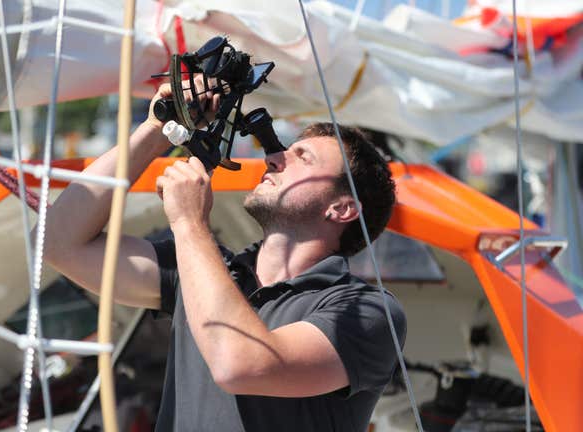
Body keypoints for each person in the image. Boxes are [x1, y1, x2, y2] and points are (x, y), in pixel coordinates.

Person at [42, 81, 406, 432]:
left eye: (302, 157)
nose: (274, 157)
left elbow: (239, 365)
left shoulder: (368, 311)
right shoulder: (204, 269)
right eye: (284, 150)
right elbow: (58, 242)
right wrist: (158, 126)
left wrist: (188, 222)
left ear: (342, 208)